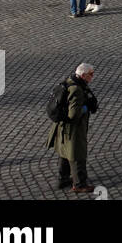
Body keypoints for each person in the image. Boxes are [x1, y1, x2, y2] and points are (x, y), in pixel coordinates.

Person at [47, 63, 99, 193]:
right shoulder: (76, 89)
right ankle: (80, 184)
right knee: (77, 155)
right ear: (83, 75)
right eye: (91, 74)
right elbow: (73, 114)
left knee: (64, 153)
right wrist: (85, 108)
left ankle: (63, 179)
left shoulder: (69, 81)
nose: (92, 77)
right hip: (73, 130)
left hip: (62, 128)